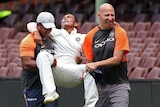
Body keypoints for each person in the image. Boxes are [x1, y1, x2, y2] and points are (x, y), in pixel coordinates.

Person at [27, 13, 98, 107]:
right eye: (63, 17)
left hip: (73, 71)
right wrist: (36, 32)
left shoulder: (82, 37)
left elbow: (94, 52)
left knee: (92, 70)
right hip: (57, 68)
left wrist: (83, 59)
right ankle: (50, 93)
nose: (65, 18)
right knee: (42, 55)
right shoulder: (55, 32)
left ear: (76, 23)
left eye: (69, 17)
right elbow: (31, 24)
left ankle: (91, 105)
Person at [83, 3, 131, 107]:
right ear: (99, 15)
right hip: (99, 87)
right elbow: (90, 62)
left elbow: (117, 59)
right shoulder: (90, 36)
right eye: (107, 15)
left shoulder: (120, 32)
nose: (110, 18)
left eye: (112, 15)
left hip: (119, 84)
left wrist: (96, 64)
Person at [19, 12, 58, 107]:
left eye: (50, 27)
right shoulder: (28, 40)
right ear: (38, 25)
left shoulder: (52, 39)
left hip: (50, 89)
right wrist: (47, 64)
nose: (48, 30)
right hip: (33, 87)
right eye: (46, 27)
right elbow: (26, 64)